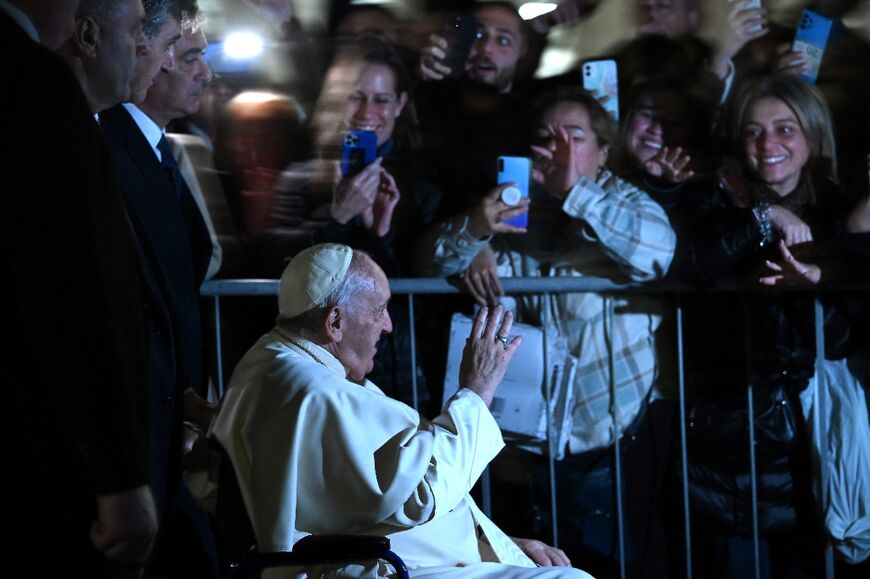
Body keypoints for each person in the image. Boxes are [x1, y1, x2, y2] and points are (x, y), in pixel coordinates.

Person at [210, 243, 592, 578]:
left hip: (400, 555)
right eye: (379, 311)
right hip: (386, 568)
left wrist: (498, 541)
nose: (389, 326)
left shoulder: (274, 357)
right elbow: (419, 495)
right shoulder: (317, 393)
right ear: (336, 322)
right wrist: (477, 391)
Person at [416, 88, 676, 578]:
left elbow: (657, 251)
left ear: (603, 151)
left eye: (573, 136)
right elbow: (428, 264)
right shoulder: (518, 212)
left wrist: (575, 190)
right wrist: (473, 233)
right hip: (533, 450)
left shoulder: (622, 200)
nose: (556, 148)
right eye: (545, 138)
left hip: (614, 441)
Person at [675, 73, 854, 578]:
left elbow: (842, 335)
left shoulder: (839, 210)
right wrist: (761, 217)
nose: (767, 144)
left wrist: (814, 283)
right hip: (727, 427)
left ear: (814, 136)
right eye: (754, 131)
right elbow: (690, 261)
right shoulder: (715, 199)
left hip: (812, 427)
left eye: (784, 129)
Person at [1, 0, 157, 574]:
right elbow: (73, 292)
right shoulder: (35, 84)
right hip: (45, 451)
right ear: (86, 31)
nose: (144, 48)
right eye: (138, 30)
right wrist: (117, 476)